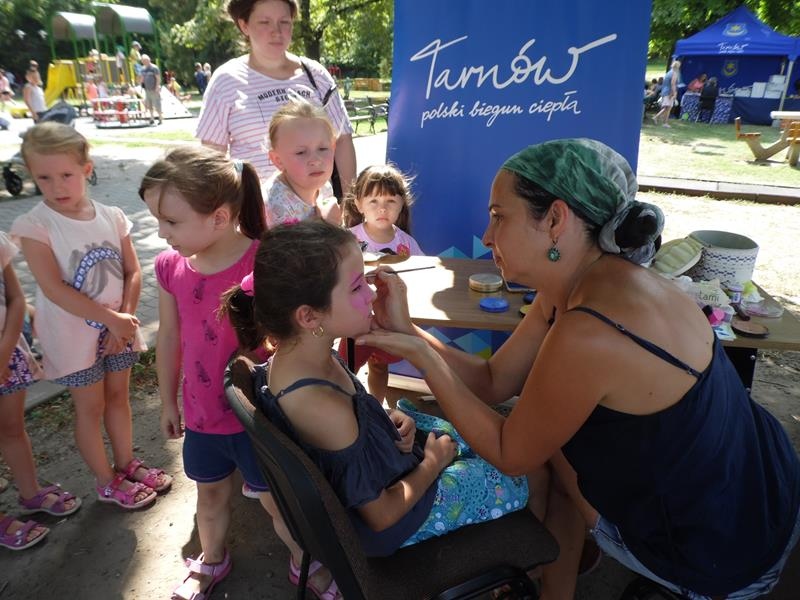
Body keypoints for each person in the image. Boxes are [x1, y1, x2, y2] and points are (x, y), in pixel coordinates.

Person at [356, 138, 800, 599]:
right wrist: (408, 329)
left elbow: (510, 452)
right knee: (555, 437)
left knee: (546, 443)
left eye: (499, 216)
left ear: (555, 220)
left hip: (724, 553)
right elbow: (493, 382)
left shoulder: (590, 330)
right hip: (761, 485)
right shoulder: (583, 285)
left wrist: (424, 356)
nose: (487, 236)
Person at [220, 220, 531, 596]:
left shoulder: (299, 360)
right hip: (401, 519)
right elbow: (381, 515)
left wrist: (381, 423)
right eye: (356, 286)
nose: (370, 294)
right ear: (309, 316)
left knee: (486, 439)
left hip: (394, 471)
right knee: (524, 471)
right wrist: (433, 463)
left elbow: (346, 434)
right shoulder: (321, 405)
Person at [140, 146, 299, 600]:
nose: (161, 233)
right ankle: (211, 559)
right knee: (208, 496)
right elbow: (169, 337)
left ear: (220, 217)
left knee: (276, 501)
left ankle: (307, 560)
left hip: (257, 416)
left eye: (171, 221)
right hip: (203, 416)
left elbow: (291, 336)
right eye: (157, 220)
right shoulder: (169, 267)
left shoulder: (262, 262)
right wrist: (168, 401)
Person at [10, 122, 172, 512]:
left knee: (118, 398)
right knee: (90, 408)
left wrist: (124, 319)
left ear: (86, 169)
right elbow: (53, 289)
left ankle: (126, 462)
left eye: (66, 175)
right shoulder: (35, 226)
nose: (56, 186)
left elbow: (133, 271)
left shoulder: (112, 216)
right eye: (44, 178)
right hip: (72, 338)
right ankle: (105, 480)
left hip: (119, 330)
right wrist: (112, 319)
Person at [196, 0, 356, 193]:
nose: (276, 31)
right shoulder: (225, 81)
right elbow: (212, 157)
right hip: (253, 208)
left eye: (284, 22)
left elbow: (343, 140)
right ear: (244, 25)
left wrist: (350, 202)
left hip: (317, 208)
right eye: (265, 22)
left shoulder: (316, 75)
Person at [0, 230, 82, 551]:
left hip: (7, 355)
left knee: (12, 428)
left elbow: (16, 299)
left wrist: (5, 351)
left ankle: (30, 492)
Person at [340, 164, 423, 404]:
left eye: (390, 201)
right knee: (346, 369)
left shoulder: (407, 244)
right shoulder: (348, 239)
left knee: (379, 367)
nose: (382, 208)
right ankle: (345, 406)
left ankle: (375, 407)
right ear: (359, 204)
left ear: (402, 204)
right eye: (374, 201)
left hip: (388, 323)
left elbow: (422, 276)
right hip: (355, 321)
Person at [263, 98, 341, 228]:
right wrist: (330, 224)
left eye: (323, 149)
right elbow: (298, 243)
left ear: (333, 148)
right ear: (278, 160)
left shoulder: (323, 185)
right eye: (301, 152)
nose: (316, 160)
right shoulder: (276, 207)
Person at [653, 60, 680, 127]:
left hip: (665, 91)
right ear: (678, 67)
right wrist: (674, 93)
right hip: (669, 92)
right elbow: (673, 84)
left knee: (666, 107)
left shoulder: (669, 72)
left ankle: (658, 118)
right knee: (668, 108)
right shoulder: (674, 73)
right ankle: (664, 123)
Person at [138, 54, 162, 125]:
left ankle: (160, 118)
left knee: (157, 104)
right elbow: (142, 78)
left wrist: (157, 87)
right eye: (143, 61)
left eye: (145, 60)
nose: (144, 62)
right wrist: (140, 83)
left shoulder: (154, 68)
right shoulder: (143, 69)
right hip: (147, 89)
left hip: (154, 89)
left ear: (149, 60)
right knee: (149, 104)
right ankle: (152, 118)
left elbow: (158, 78)